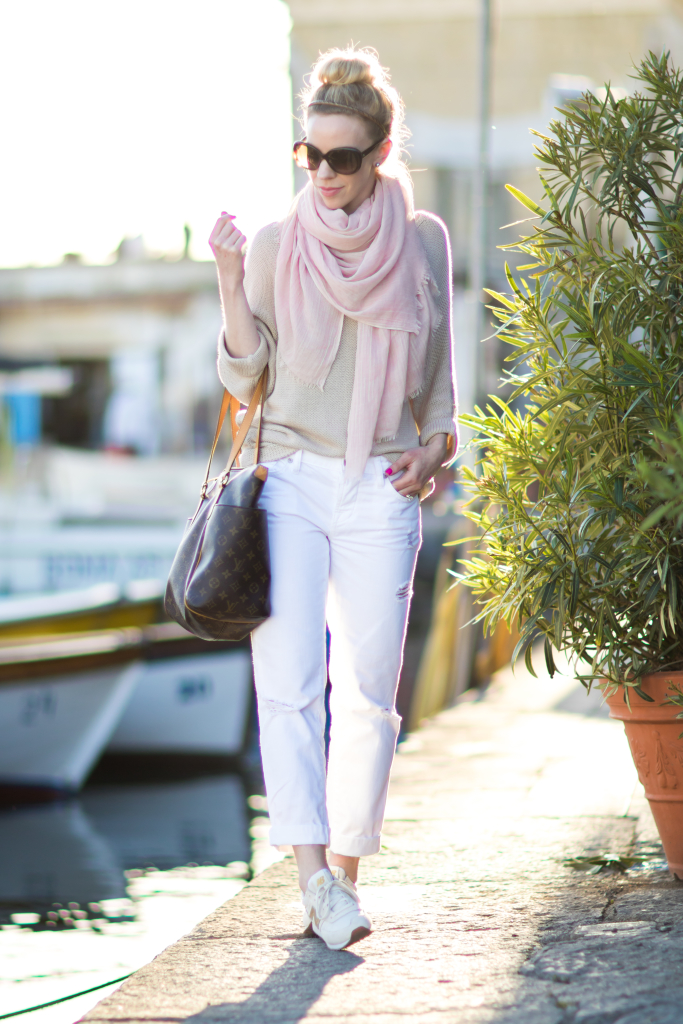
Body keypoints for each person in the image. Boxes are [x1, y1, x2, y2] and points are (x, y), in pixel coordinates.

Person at [209, 46, 456, 951]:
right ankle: (314, 881)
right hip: (292, 479)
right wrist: (232, 283)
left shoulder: (422, 238)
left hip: (381, 483)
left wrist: (433, 450)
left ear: (380, 154)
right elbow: (246, 376)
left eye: (342, 158)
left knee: (369, 694)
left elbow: (439, 386)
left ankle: (343, 876)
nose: (322, 173)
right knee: (287, 689)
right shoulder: (279, 242)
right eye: (309, 155)